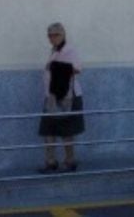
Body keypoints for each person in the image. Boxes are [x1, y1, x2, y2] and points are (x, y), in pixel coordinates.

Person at [38, 22, 84, 173]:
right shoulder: (55, 50)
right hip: (52, 96)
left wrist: (53, 67)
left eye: (55, 34)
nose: (52, 38)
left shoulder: (69, 50)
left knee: (66, 131)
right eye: (49, 35)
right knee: (48, 129)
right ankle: (50, 161)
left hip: (67, 96)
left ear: (63, 34)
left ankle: (69, 161)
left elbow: (77, 68)